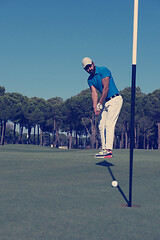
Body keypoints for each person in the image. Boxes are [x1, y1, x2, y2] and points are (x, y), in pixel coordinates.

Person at [82, 57, 123, 158]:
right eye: (86, 68)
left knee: (109, 124)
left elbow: (106, 88)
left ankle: (109, 151)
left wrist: (100, 104)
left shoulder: (103, 70)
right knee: (101, 125)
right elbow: (94, 93)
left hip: (115, 99)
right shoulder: (90, 79)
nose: (89, 69)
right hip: (106, 102)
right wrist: (95, 107)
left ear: (93, 63)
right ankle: (104, 149)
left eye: (90, 66)